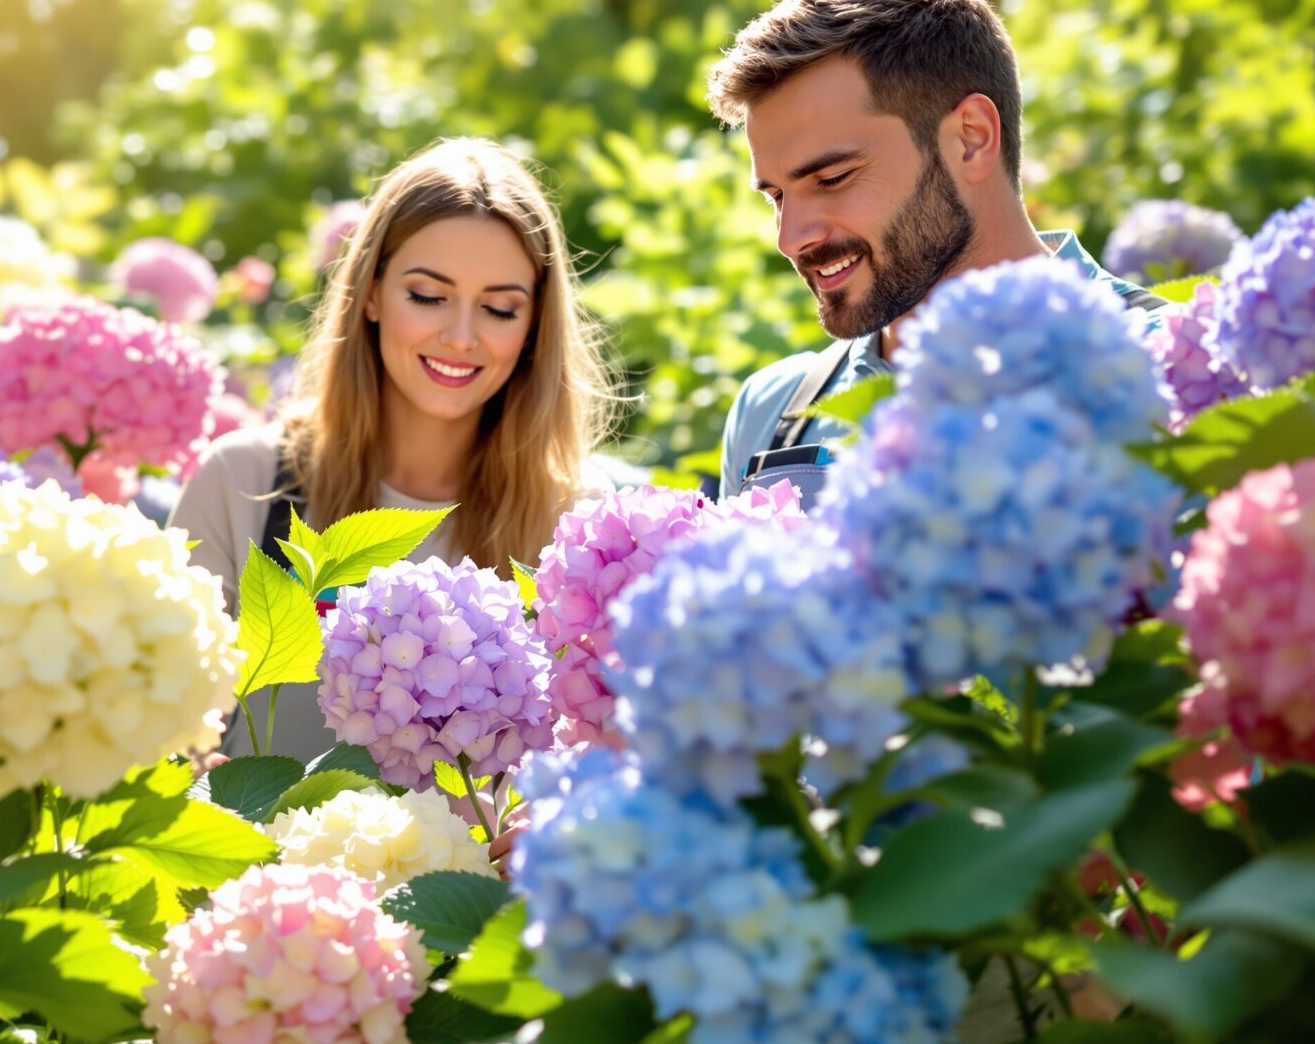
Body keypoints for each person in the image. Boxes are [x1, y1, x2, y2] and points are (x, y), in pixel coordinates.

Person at [170, 137, 619, 762]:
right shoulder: (245, 480)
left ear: (534, 326)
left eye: (499, 308)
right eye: (428, 297)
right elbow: (162, 736)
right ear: (373, 293)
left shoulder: (581, 524)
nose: (461, 337)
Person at [710, 0, 1169, 503]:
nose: (790, 238)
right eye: (776, 196)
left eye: (832, 178)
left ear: (971, 139)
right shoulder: (773, 413)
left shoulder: (1170, 370)